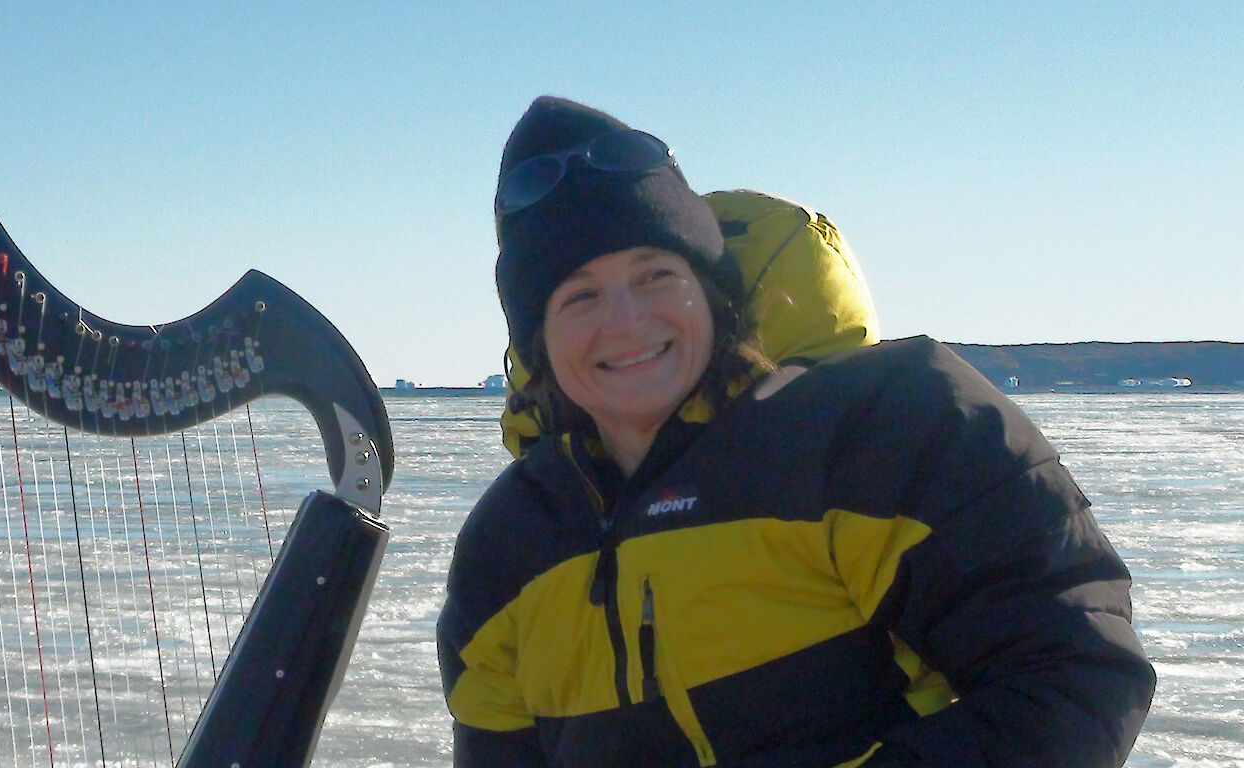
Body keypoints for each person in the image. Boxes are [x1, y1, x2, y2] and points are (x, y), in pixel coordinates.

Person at [436, 96, 1154, 767]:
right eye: (580, 296)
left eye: (655, 276)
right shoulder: (507, 546)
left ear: (714, 297)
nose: (626, 322)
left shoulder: (881, 429)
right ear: (537, 345)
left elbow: (1070, 675)